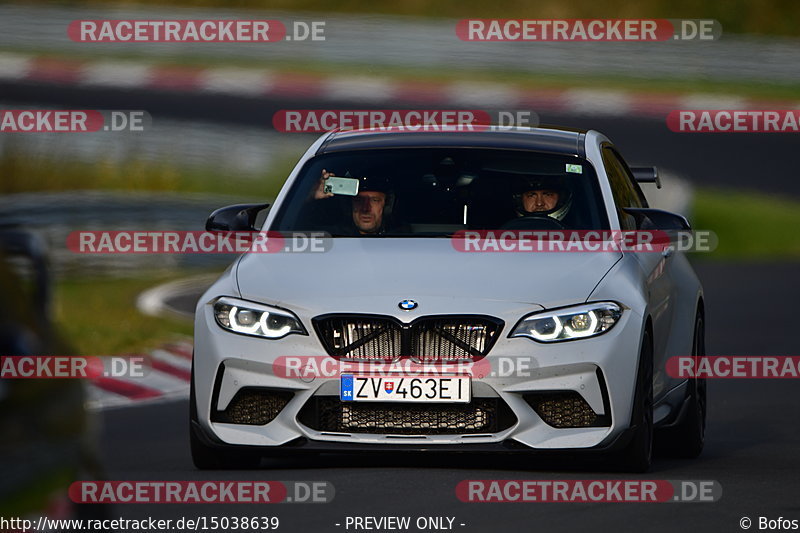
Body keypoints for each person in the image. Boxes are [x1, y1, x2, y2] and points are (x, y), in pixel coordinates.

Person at [311, 170, 391, 235]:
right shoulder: (329, 237)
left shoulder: (400, 239)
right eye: (359, 200)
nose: (366, 208)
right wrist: (310, 195)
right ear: (349, 205)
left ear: (386, 205)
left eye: (375, 200)